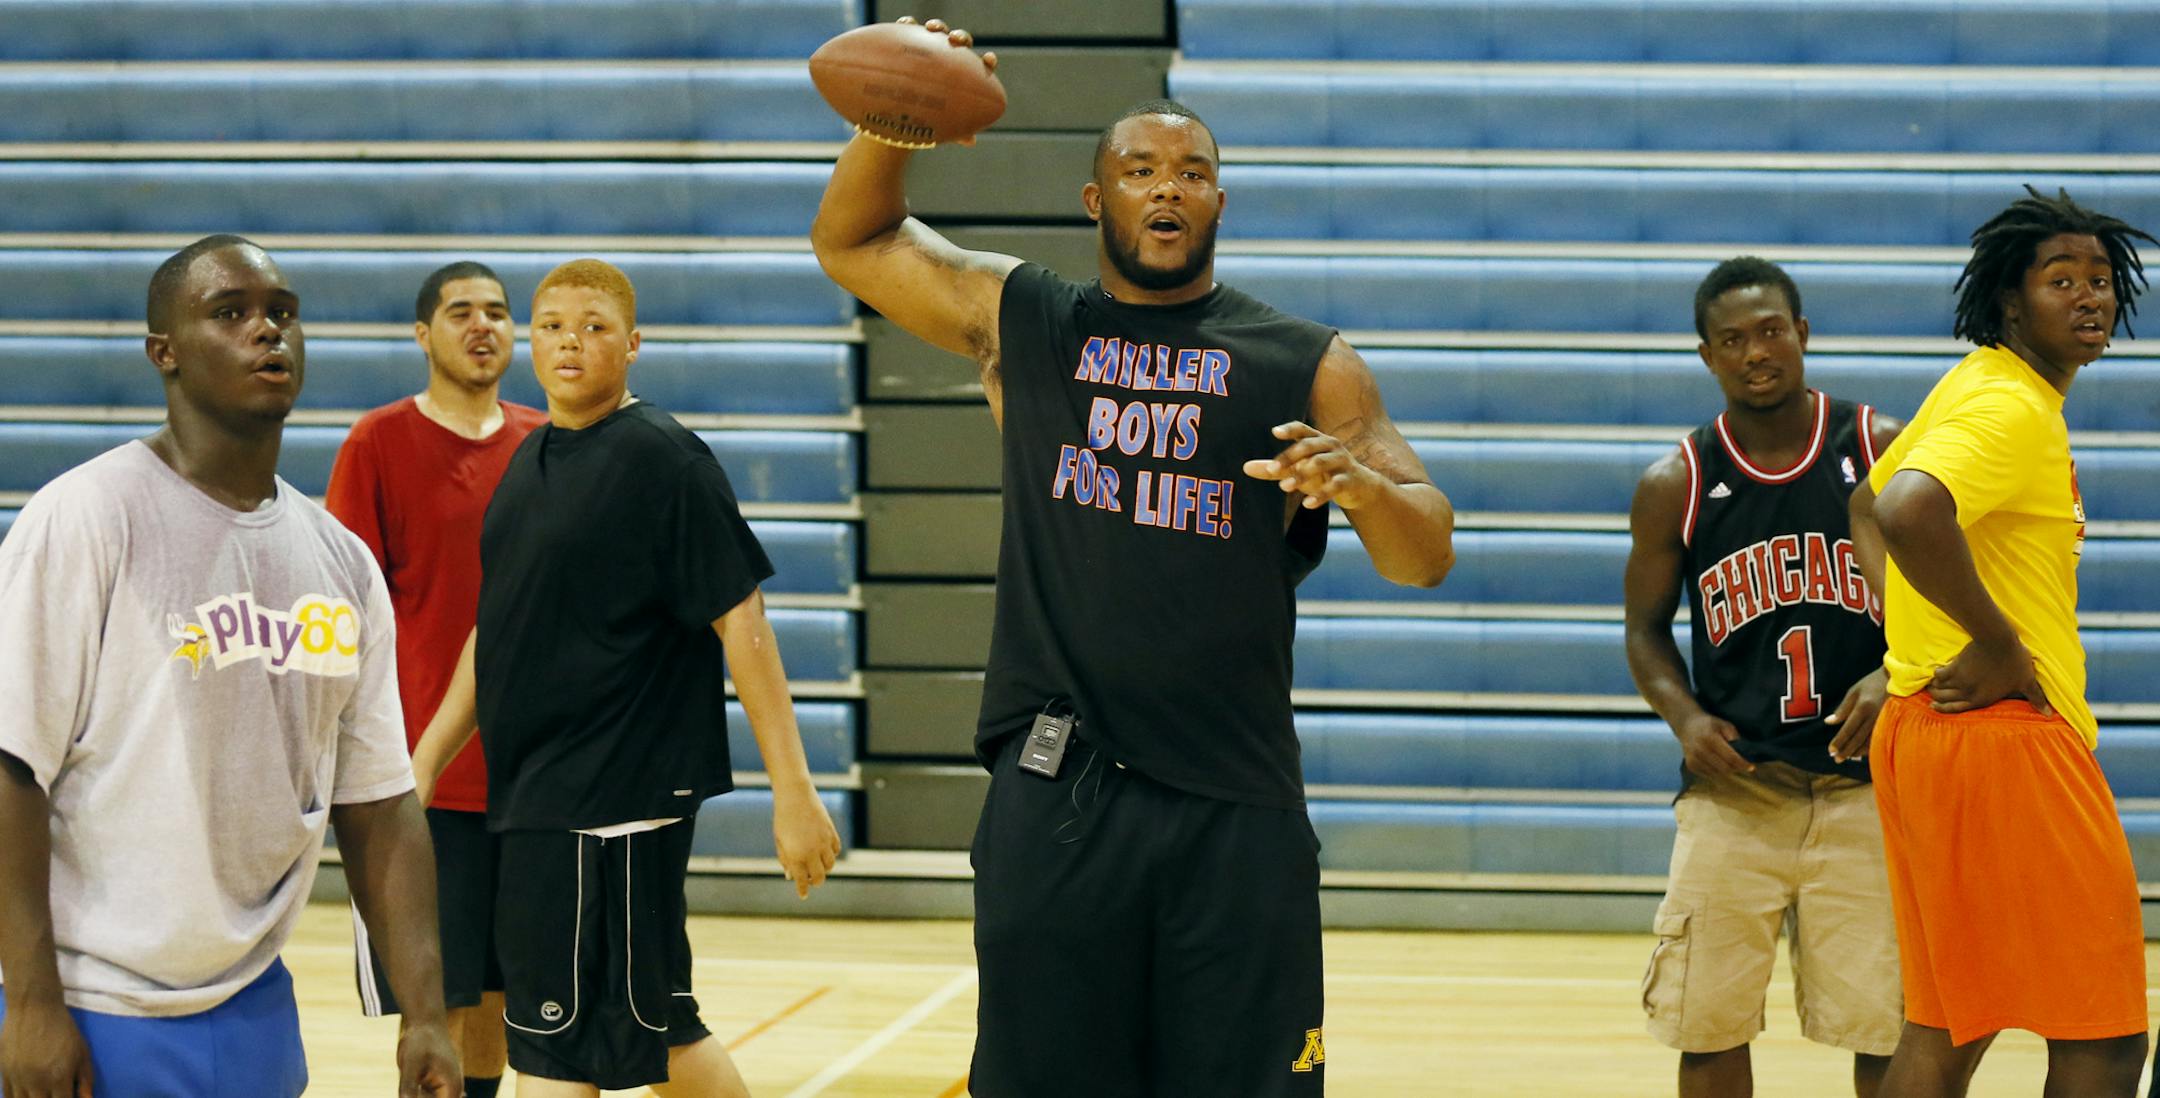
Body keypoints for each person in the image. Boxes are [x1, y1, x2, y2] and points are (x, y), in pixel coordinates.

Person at [811, 21, 1457, 1097]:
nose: (1168, 188)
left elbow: (1425, 550)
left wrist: (1364, 489)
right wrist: (891, 122)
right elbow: (853, 242)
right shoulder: (1027, 321)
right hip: (1060, 789)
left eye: (1194, 172)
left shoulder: (1305, 361)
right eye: (1140, 170)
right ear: (1094, 201)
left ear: (1219, 203)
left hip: (1234, 803)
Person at [0, 235, 458, 1096]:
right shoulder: (88, 519)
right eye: (231, 313)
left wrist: (425, 1011)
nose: (267, 332)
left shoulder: (342, 563)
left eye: (282, 313)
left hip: (254, 1005)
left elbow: (382, 807)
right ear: (163, 353)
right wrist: (29, 1004)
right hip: (93, 1005)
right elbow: (9, 769)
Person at [409, 258, 842, 1096]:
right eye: (553, 326)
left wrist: (794, 791)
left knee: (581, 1042)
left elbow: (741, 622)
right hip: (540, 803)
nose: (571, 341)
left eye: (595, 327)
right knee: (633, 1034)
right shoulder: (530, 459)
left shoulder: (665, 460)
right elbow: (493, 633)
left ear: (634, 344)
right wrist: (424, 762)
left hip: (616, 804)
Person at [1850, 186, 2156, 1097]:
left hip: (1923, 727)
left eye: (2100, 279)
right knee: (2102, 1039)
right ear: (2013, 303)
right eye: (2061, 279)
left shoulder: (1978, 379)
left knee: (1949, 1024)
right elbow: (1903, 508)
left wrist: (1914, 639)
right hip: (2005, 739)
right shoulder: (2013, 407)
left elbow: (1868, 499)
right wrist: (1995, 642)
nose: (2090, 296)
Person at [1625, 257, 1905, 1098]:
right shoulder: (1675, 480)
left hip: (1867, 791)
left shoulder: (1880, 448)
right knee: (1706, 1026)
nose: (1757, 352)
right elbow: (1644, 630)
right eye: (1734, 339)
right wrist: (1683, 718)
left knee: (1889, 1029)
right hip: (1737, 793)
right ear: (1706, 355)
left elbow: (1952, 596)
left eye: (1772, 330)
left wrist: (1896, 671)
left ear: (1804, 334)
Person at [326, 261, 546, 1098]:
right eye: (461, 313)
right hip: (422, 780)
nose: (483, 326)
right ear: (424, 335)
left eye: (496, 312)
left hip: (531, 778)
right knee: (437, 1009)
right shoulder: (377, 442)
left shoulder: (544, 442)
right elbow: (343, 614)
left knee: (497, 1001)